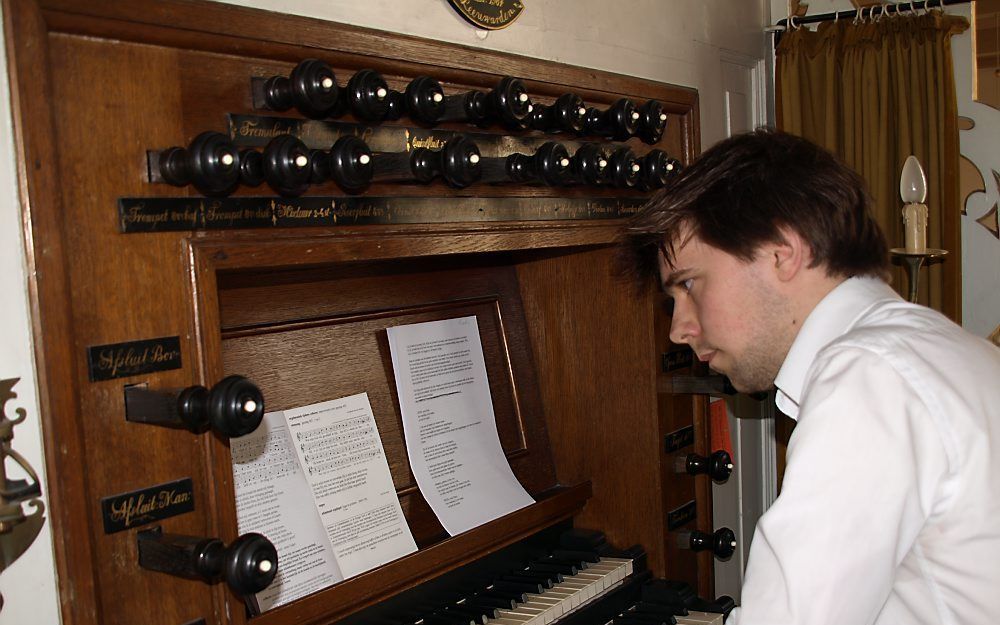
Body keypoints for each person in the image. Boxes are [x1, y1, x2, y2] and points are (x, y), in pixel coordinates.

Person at [621, 129, 1000, 625]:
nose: (678, 330)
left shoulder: (869, 377)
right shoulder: (922, 341)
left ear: (781, 251)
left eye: (689, 284)